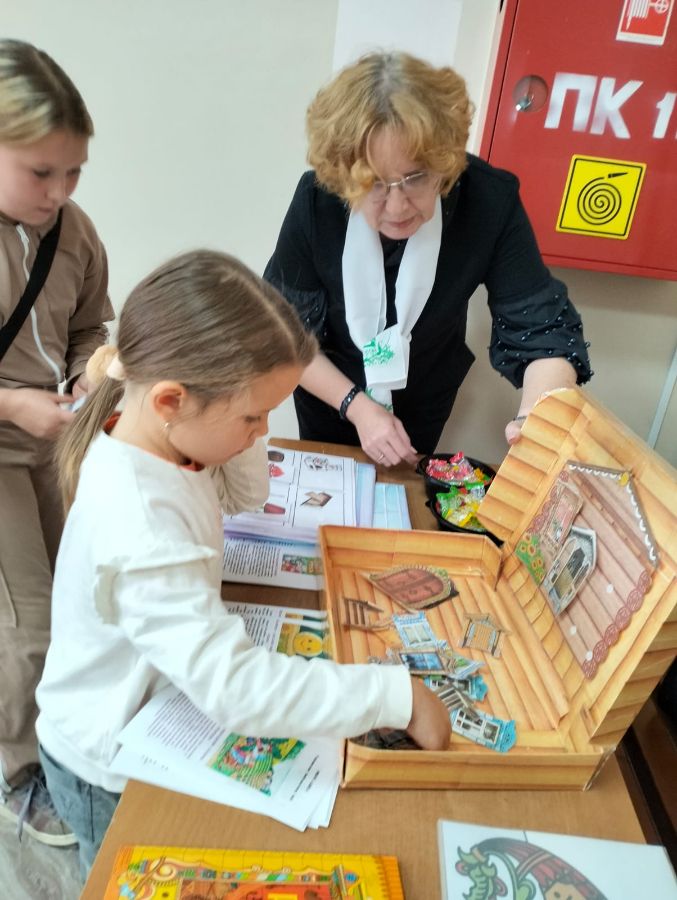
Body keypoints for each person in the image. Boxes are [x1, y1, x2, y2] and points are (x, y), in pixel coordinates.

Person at [35, 250, 451, 878]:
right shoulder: (139, 520)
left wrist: (244, 425)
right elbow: (234, 689)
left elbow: (246, 496)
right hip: (106, 760)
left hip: (153, 701)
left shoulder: (157, 432)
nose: (263, 432)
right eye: (254, 416)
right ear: (171, 401)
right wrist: (396, 697)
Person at [264, 51, 592, 466]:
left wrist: (535, 417)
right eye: (374, 184)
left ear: (445, 162)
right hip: (331, 388)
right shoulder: (319, 200)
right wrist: (357, 407)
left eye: (416, 177)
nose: (397, 206)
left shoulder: (488, 201)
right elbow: (281, 333)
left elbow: (543, 329)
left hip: (424, 388)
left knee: (406, 486)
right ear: (345, 175)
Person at [0, 39, 112, 844]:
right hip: (6, 445)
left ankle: (68, 735)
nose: (61, 191)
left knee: (81, 596)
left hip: (56, 442)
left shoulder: (74, 231)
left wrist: (84, 376)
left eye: (74, 172)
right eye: (41, 172)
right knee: (26, 623)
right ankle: (17, 770)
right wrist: (13, 405)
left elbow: (88, 325)